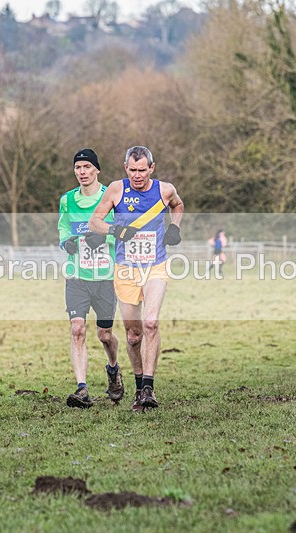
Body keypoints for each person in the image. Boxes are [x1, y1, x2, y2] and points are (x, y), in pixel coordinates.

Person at [87, 146, 184, 411]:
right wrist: (115, 230)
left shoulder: (164, 190)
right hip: (126, 270)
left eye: (142, 170)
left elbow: (177, 204)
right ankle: (139, 387)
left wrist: (174, 227)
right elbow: (94, 222)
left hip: (155, 267)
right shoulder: (117, 190)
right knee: (133, 335)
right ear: (125, 168)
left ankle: (149, 389)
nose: (137, 176)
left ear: (152, 168)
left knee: (151, 322)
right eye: (132, 170)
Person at [58, 148, 123, 409]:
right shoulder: (67, 200)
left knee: (105, 335)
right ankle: (82, 388)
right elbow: (63, 226)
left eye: (87, 167)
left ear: (97, 169)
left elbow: (123, 231)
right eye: (78, 168)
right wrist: (66, 242)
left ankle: (113, 369)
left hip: (105, 277)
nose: (82, 172)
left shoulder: (111, 197)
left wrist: (105, 236)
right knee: (77, 329)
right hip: (77, 276)